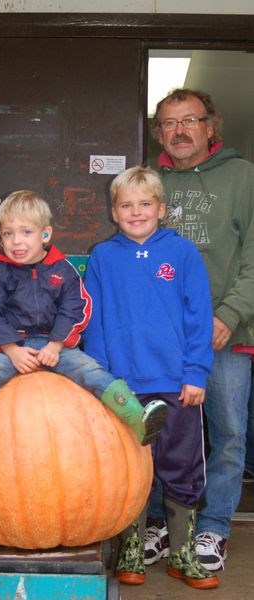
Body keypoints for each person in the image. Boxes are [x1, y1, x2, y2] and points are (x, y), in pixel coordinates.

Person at [0, 189, 168, 456]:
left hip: (57, 344)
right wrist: (11, 349)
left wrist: (55, 345)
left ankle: (137, 418)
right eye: (8, 234)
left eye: (26, 232)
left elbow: (76, 307)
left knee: (91, 371)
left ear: (45, 234)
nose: (16, 241)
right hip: (11, 345)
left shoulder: (62, 269)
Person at [83, 166, 218, 589]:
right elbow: (95, 321)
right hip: (124, 387)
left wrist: (196, 372)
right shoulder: (103, 257)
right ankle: (131, 551)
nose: (136, 212)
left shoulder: (182, 253)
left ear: (161, 208)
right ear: (113, 211)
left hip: (178, 384)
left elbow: (199, 318)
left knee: (182, 464)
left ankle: (182, 552)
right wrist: (103, 380)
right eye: (126, 205)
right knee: (131, 468)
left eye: (145, 204)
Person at [147, 88, 254, 572]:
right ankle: (155, 525)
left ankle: (212, 531)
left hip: (226, 334)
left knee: (227, 432)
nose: (179, 130)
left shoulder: (244, 177)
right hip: (163, 339)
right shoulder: (148, 182)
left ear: (211, 126)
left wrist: (227, 315)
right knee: (156, 428)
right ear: (160, 133)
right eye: (169, 123)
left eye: (190, 120)